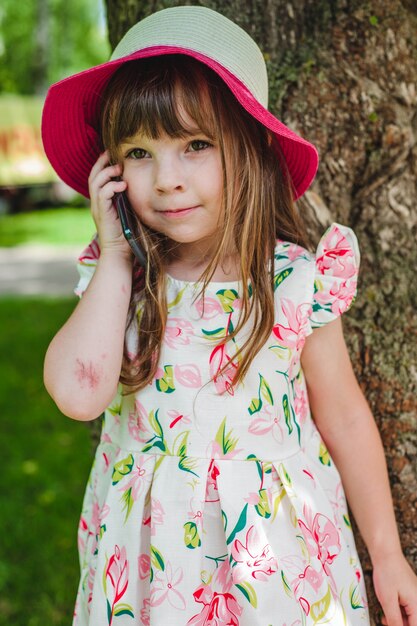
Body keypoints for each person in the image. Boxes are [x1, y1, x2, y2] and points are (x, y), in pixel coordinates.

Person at [42, 6, 417, 626]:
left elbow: (345, 416)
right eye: (139, 152)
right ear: (109, 171)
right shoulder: (124, 283)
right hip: (152, 562)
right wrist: (112, 257)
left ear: (250, 149)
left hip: (280, 558)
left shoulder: (293, 280)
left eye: (195, 145)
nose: (166, 180)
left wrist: (386, 553)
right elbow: (79, 397)